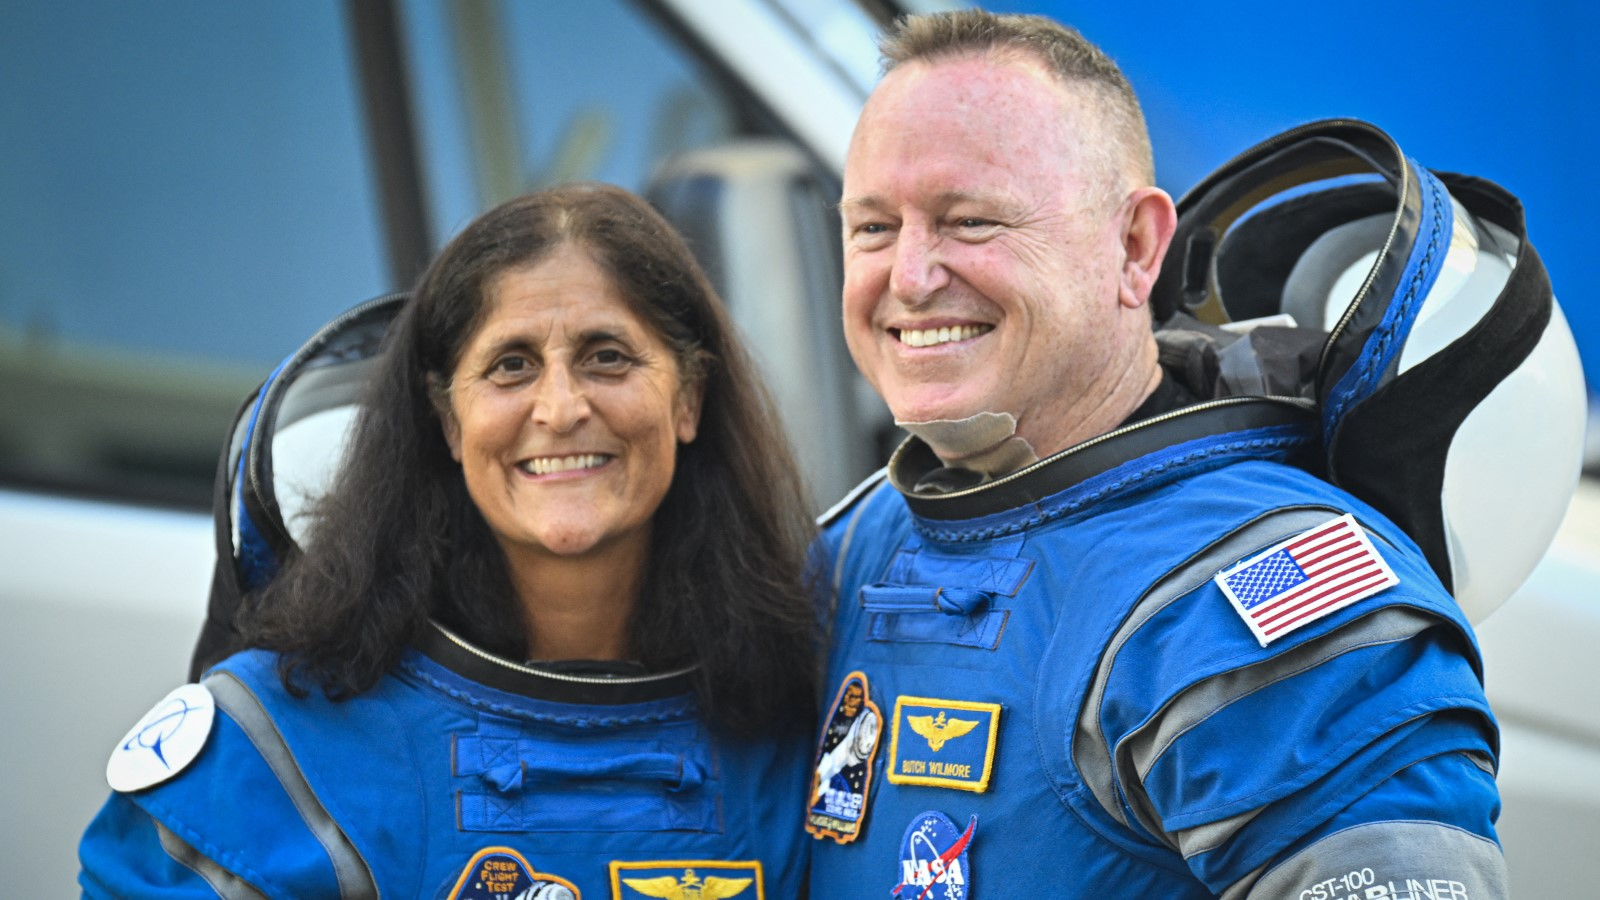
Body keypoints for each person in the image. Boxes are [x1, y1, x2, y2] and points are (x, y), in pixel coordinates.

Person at [806, 10, 1508, 898]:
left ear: (1135, 246)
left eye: (970, 221)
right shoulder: (866, 534)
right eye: (873, 228)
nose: (908, 275)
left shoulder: (1268, 599)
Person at [79, 184, 818, 898]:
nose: (560, 408)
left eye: (608, 357)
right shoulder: (280, 751)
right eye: (511, 365)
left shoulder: (798, 720)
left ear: (688, 397)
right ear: (448, 422)